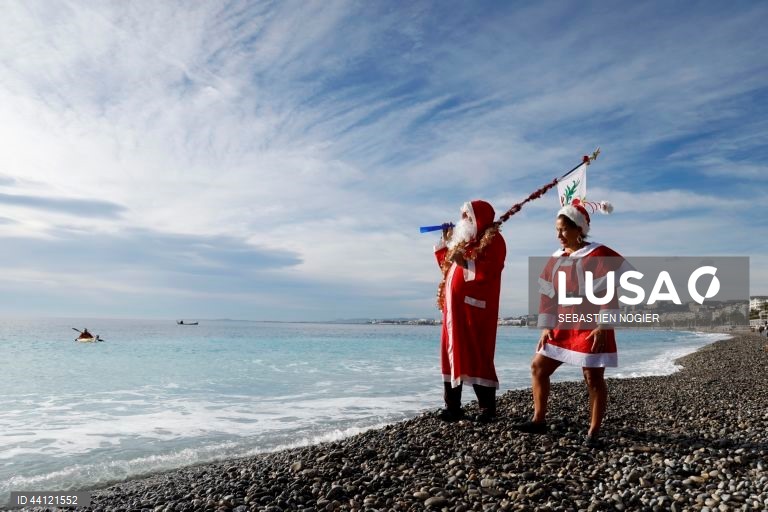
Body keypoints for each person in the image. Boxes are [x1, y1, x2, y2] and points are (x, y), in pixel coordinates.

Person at [515, 199, 626, 446]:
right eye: (557, 230)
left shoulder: (598, 254)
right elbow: (547, 294)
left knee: (592, 378)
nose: (559, 236)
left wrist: (604, 325)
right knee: (538, 367)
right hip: (562, 325)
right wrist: (546, 325)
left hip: (590, 324)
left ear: (579, 228)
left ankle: (593, 432)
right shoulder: (555, 259)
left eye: (563, 229)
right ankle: (538, 420)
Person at [434, 200, 506, 423]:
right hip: (453, 312)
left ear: (480, 218)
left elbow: (492, 269)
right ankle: (452, 406)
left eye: (468, 216)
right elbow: (447, 266)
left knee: (477, 353)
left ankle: (487, 409)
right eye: (463, 215)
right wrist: (447, 243)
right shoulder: (464, 242)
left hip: (475, 310)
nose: (463, 220)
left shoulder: (493, 241)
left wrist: (466, 263)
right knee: (450, 354)